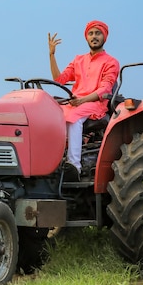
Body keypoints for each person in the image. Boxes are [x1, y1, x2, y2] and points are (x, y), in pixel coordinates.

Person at [48, 20, 119, 181]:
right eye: (91, 33)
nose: (94, 37)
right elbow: (59, 79)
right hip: (74, 103)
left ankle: (74, 166)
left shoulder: (111, 62)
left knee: (74, 119)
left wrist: (82, 101)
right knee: (52, 115)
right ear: (86, 37)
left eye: (98, 33)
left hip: (95, 103)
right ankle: (52, 161)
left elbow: (105, 89)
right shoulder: (78, 60)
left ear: (104, 37)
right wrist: (52, 55)